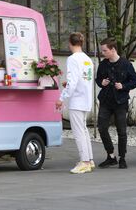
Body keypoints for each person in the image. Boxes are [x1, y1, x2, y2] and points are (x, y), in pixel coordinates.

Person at [96, 37, 136, 169]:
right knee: (102, 128)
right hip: (105, 100)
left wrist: (124, 86)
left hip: (120, 102)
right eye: (102, 50)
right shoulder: (103, 64)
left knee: (122, 131)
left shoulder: (126, 64)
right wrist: (101, 83)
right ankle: (110, 156)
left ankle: (122, 158)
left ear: (113, 49)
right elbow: (98, 79)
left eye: (105, 50)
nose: (103, 53)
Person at [56, 32, 95, 174]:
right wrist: (70, 84)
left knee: (79, 132)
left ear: (70, 43)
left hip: (77, 100)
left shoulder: (72, 59)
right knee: (84, 130)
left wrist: (61, 98)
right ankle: (89, 159)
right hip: (86, 99)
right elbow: (84, 80)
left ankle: (84, 161)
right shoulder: (88, 60)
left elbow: (73, 82)